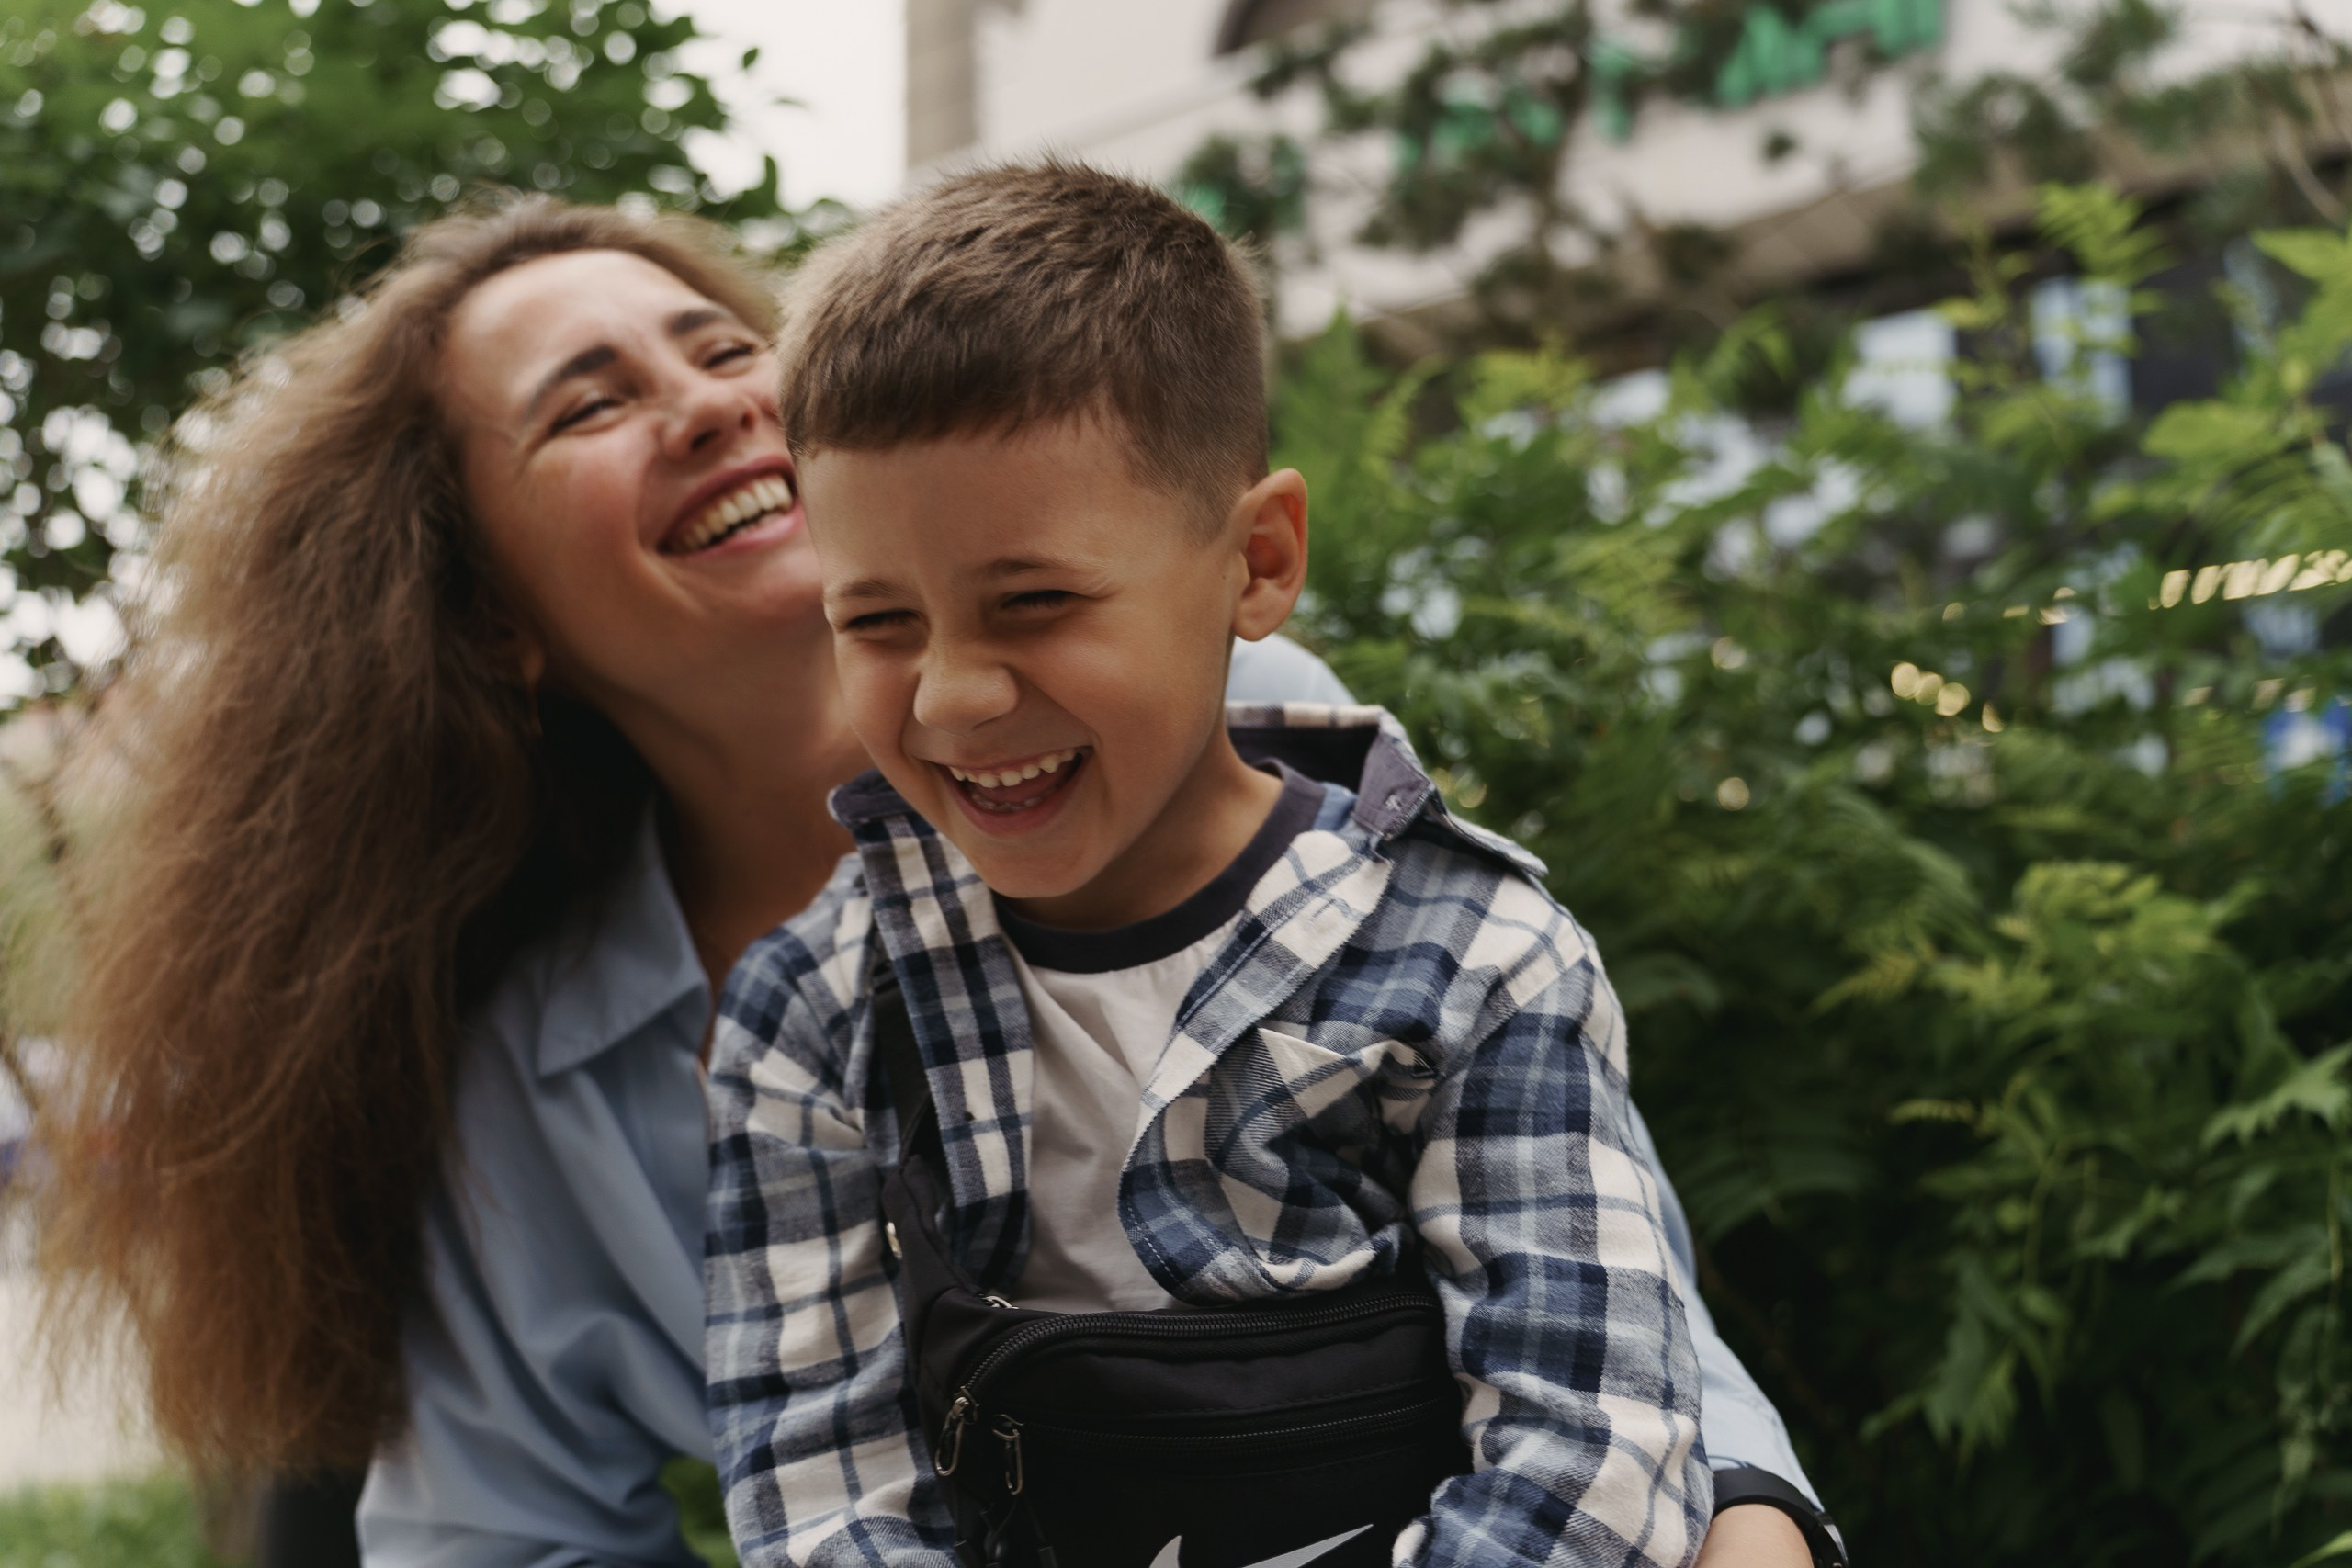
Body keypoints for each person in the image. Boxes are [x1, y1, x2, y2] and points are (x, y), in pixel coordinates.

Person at [33, 192, 1822, 1568]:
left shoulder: (1247, 737)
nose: (708, 404)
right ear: (493, 620)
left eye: (724, 348)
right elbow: (504, 1534)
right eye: (591, 403)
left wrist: (1745, 1512)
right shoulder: (539, 1070)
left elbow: (1565, 1251)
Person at [705, 164, 1838, 1568]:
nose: (952, 697)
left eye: (1037, 601)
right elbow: (825, 1488)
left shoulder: (1473, 960)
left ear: (1258, 559)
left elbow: (1587, 1451)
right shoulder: (813, 1011)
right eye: (876, 620)